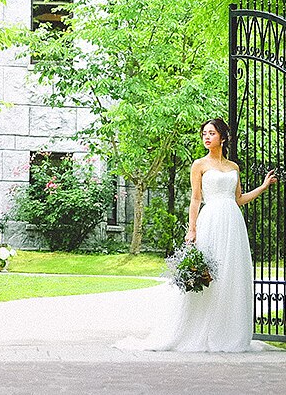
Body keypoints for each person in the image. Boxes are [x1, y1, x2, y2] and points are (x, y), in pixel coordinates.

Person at [118, 118, 276, 352]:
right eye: (204, 133)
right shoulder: (199, 165)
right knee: (208, 274)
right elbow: (195, 198)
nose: (206, 137)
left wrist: (263, 187)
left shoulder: (233, 167)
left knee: (230, 275)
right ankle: (199, 330)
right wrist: (192, 229)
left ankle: (227, 332)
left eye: (211, 133)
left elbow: (238, 199)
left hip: (233, 222)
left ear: (223, 137)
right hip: (210, 219)